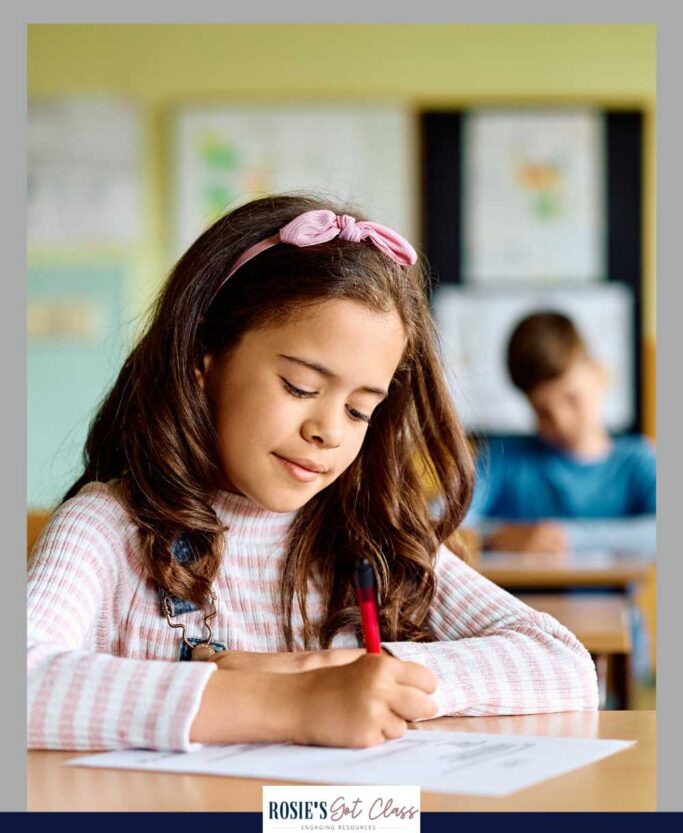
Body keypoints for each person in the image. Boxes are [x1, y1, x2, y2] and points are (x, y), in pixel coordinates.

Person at [28, 196, 597, 753]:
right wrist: (293, 702)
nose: (328, 430)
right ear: (206, 357)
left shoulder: (370, 537)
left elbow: (564, 665)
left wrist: (353, 674)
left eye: (359, 410)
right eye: (300, 387)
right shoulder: (108, 528)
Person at [467, 311, 656, 557]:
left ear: (600, 375)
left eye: (571, 399)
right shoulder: (501, 460)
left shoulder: (637, 461)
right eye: (543, 411)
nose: (562, 421)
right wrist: (495, 537)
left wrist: (567, 537)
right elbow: (441, 521)